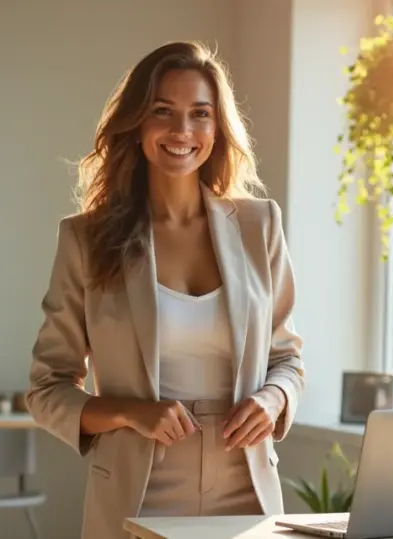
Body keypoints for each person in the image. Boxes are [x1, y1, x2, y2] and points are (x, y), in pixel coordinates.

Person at [24, 41, 306, 539]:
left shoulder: (260, 226)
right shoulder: (86, 239)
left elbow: (287, 358)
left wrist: (273, 399)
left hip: (246, 490)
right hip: (138, 493)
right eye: (163, 112)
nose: (182, 131)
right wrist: (132, 412)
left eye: (200, 114)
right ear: (136, 125)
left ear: (217, 130)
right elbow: (47, 389)